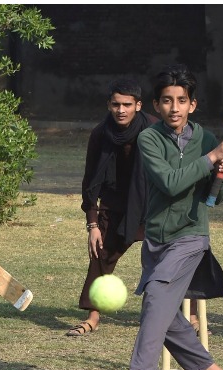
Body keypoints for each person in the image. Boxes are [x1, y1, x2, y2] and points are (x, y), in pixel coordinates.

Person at [93, 64, 223, 370]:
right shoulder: (149, 138)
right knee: (165, 314)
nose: (175, 108)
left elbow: (215, 198)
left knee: (157, 295)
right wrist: (211, 159)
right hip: (157, 237)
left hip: (190, 235)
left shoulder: (207, 139)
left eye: (181, 100)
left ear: (193, 104)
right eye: (167, 101)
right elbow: (170, 184)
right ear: (157, 106)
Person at [67, 78, 158, 336]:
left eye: (127, 105)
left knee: (173, 257)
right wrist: (93, 224)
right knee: (101, 254)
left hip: (152, 203)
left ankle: (191, 315)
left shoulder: (154, 129)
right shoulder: (100, 134)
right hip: (115, 202)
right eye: (116, 104)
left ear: (138, 105)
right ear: (109, 105)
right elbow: (90, 180)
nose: (121, 110)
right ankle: (93, 316)